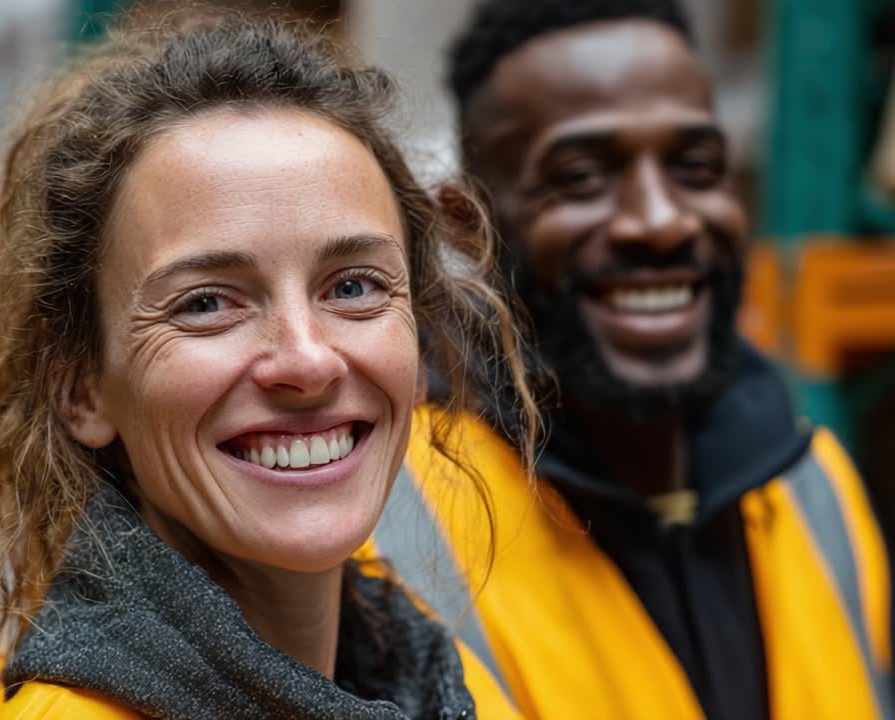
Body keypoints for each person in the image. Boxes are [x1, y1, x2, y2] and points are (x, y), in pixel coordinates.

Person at [0, 12, 541, 720]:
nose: (308, 359)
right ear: (81, 387)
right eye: (206, 303)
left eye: (353, 286)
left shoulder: (446, 685)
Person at [377, 1, 895, 719]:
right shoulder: (384, 518)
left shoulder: (817, 487)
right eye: (581, 177)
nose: (660, 220)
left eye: (695, 166)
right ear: (468, 224)